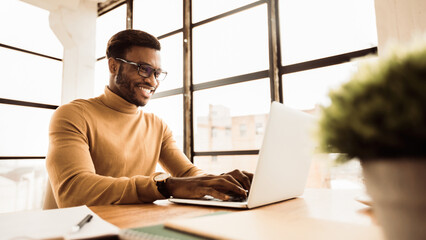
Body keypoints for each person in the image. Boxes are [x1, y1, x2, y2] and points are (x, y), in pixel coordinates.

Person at [46, 29, 253, 208]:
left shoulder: (157, 126)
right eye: (143, 69)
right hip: (77, 231)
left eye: (157, 72)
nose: (153, 81)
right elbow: (74, 192)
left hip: (131, 226)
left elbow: (188, 173)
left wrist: (220, 182)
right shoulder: (73, 115)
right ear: (113, 67)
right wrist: (162, 185)